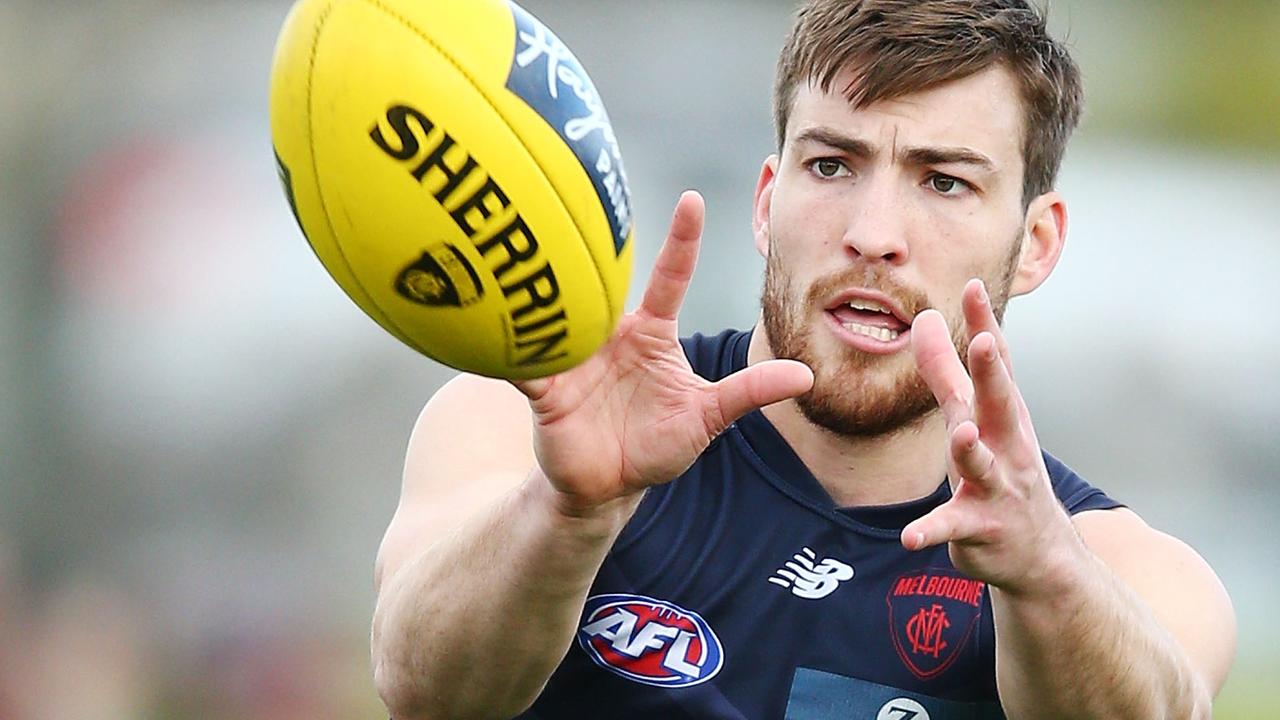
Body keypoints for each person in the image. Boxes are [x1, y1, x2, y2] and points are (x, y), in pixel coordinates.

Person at [370, 1, 1236, 717]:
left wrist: (1046, 577)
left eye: (944, 182)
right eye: (831, 165)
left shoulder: (1126, 569)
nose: (873, 236)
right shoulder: (526, 431)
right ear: (767, 200)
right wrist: (567, 514)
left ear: (1036, 242)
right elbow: (421, 685)